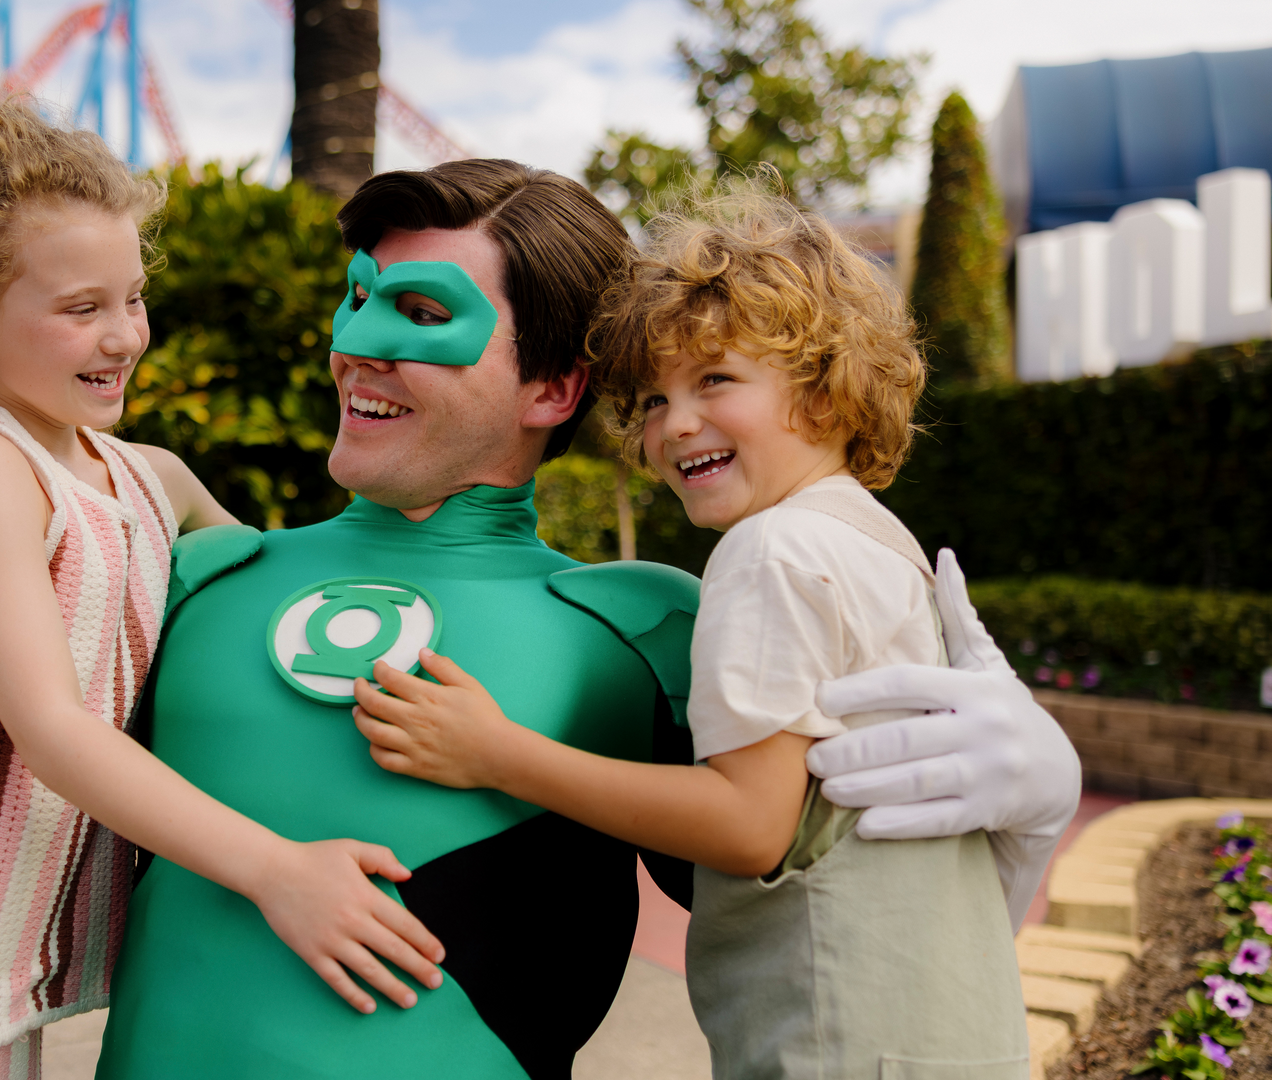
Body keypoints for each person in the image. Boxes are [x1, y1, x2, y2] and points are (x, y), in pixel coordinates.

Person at [0, 160, 1080, 1079]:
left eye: (423, 316)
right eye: (359, 299)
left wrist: (1031, 799)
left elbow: (811, 893)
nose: (356, 348)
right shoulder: (194, 565)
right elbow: (48, 627)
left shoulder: (651, 623)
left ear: (554, 387)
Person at [0, 95, 446, 1080]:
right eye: (82, 309)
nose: (124, 335)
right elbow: (49, 728)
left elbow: (284, 592)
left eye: (132, 298)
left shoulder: (146, 477)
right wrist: (277, 870)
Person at [355, 189, 1033, 1078]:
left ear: (826, 391)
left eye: (715, 380)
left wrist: (498, 754)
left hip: (835, 1040)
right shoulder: (874, 538)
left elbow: (751, 824)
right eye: (650, 399)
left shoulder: (771, 551)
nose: (674, 424)